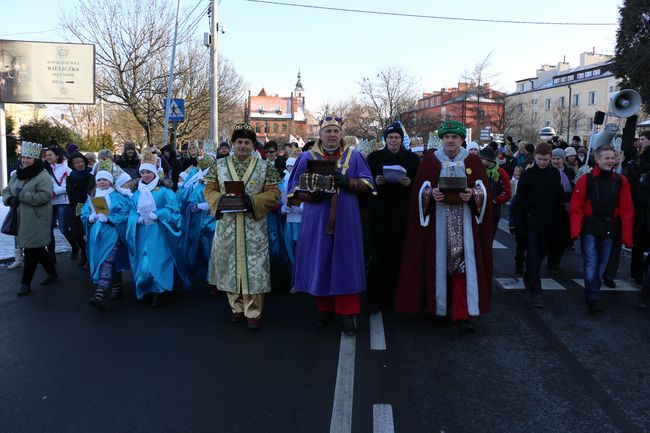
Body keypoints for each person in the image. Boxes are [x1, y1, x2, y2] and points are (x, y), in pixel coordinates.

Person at [395, 120, 492, 334]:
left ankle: (462, 315)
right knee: (436, 266)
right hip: (436, 227)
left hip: (464, 226)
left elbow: (483, 190)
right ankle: (437, 309)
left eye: (455, 137)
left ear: (461, 140)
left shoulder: (473, 162)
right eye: (447, 137)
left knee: (461, 269)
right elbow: (420, 191)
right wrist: (431, 194)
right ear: (442, 140)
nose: (450, 141)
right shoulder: (430, 161)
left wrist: (472, 195)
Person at [287, 116, 375, 335]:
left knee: (346, 265)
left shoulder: (354, 156)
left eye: (336, 131)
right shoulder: (307, 157)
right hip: (317, 218)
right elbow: (293, 188)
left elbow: (369, 185)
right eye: (328, 131)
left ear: (341, 133)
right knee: (321, 261)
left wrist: (350, 183)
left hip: (347, 220)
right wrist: (310, 196)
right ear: (321, 134)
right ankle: (324, 309)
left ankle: (347, 315)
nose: (332, 135)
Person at [204, 124, 280, 329]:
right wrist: (221, 201)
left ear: (253, 145)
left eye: (247, 143)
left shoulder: (265, 166)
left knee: (254, 268)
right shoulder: (218, 166)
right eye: (239, 142)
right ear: (233, 144)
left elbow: (274, 193)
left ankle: (254, 313)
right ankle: (236, 308)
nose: (243, 146)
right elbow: (209, 189)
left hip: (253, 227)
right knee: (229, 266)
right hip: (227, 226)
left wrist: (252, 201)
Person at [570, 145, 634, 314]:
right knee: (591, 261)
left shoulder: (621, 181)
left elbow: (626, 208)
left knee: (603, 263)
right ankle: (592, 295)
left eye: (612, 158)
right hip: (590, 226)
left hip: (609, 227)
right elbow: (576, 206)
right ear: (597, 160)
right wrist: (575, 231)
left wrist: (627, 236)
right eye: (607, 158)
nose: (610, 161)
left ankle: (593, 289)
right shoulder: (586, 180)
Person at [365, 122, 420, 312]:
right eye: (390, 138)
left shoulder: (412, 159)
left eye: (396, 137)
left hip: (402, 214)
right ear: (385, 140)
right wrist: (376, 181)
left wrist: (409, 183)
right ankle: (374, 299)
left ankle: (398, 298)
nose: (393, 141)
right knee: (378, 257)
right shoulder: (374, 158)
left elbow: (421, 187)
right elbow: (366, 184)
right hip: (380, 214)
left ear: (401, 139)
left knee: (399, 256)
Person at [125, 148, 190, 307]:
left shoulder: (165, 191)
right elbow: (131, 211)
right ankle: (146, 288)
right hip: (142, 232)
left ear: (155, 173)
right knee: (144, 260)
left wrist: (160, 214)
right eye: (143, 172)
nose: (145, 175)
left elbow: (174, 211)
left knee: (159, 260)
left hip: (159, 232)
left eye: (148, 172)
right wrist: (136, 219)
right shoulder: (136, 193)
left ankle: (159, 291)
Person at [513, 142, 565, 308]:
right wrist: (517, 224)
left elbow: (558, 198)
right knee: (534, 256)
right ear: (535, 157)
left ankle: (530, 275)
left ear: (550, 158)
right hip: (531, 222)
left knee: (541, 254)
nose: (542, 162)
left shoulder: (554, 174)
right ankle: (537, 291)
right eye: (539, 159)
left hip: (548, 223)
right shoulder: (528, 175)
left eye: (545, 159)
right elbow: (519, 201)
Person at [2, 142, 58, 296]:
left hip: (37, 218)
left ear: (35, 159)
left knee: (31, 249)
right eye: (24, 157)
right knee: (37, 247)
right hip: (20, 217)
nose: (25, 160)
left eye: (29, 158)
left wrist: (22, 196)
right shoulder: (17, 173)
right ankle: (52, 272)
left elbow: (46, 196)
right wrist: (8, 199)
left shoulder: (42, 175)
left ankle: (25, 283)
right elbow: (7, 190)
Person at [82, 168, 131, 310]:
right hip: (97, 235)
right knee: (105, 260)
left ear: (110, 181)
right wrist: (89, 218)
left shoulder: (118, 197)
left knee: (107, 261)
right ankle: (117, 286)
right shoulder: (92, 197)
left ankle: (100, 293)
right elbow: (84, 212)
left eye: (104, 179)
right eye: (99, 179)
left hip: (112, 233)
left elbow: (125, 214)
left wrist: (109, 218)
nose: (102, 182)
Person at [44, 146, 77, 261]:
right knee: (48, 229)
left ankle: (75, 246)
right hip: (49, 202)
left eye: (50, 155)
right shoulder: (46, 169)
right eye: (46, 155)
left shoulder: (67, 169)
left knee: (63, 228)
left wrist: (54, 192)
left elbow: (68, 186)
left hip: (63, 201)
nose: (47, 157)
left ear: (57, 156)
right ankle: (51, 255)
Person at [546, 148, 575, 274]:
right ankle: (552, 264)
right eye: (554, 159)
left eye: (558, 159)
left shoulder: (568, 171)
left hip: (567, 210)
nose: (555, 161)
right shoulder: (549, 172)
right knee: (554, 238)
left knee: (563, 238)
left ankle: (556, 261)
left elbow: (572, 187)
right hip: (554, 209)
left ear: (563, 160)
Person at [66, 152, 94, 268]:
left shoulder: (91, 176)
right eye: (77, 162)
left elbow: (91, 191)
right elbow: (70, 193)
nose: (80, 164)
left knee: (88, 232)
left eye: (82, 161)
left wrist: (81, 194)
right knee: (77, 233)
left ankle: (89, 257)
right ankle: (83, 251)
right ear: (72, 165)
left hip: (89, 206)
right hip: (76, 206)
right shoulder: (70, 177)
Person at [478, 146, 511, 240]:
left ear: (489, 160)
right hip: (479, 210)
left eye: (481, 159)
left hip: (494, 212)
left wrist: (494, 201)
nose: (479, 161)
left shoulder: (501, 173)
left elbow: (507, 193)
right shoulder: (479, 170)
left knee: (488, 238)